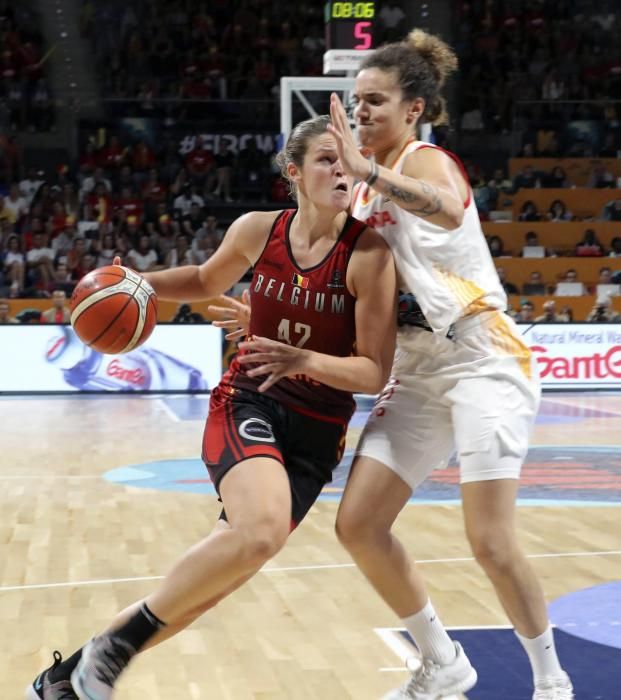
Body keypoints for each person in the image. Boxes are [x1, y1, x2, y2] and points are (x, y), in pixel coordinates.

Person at [26, 115, 397, 700]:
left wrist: (302, 359)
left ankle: (62, 680)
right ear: (294, 173)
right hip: (250, 399)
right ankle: (108, 654)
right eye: (327, 159)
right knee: (261, 530)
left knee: (210, 588)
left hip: (318, 430)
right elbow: (204, 278)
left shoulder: (370, 252)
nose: (342, 168)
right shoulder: (257, 230)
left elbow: (374, 370)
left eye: (347, 158)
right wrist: (134, 285)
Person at [325, 29, 572, 700]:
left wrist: (370, 168)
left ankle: (550, 682)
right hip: (416, 366)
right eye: (356, 101)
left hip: (480, 357)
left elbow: (447, 206)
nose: (363, 112)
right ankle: (442, 662)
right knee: (357, 524)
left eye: (375, 101)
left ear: (414, 108)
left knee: (488, 540)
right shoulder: (360, 194)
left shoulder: (426, 160)